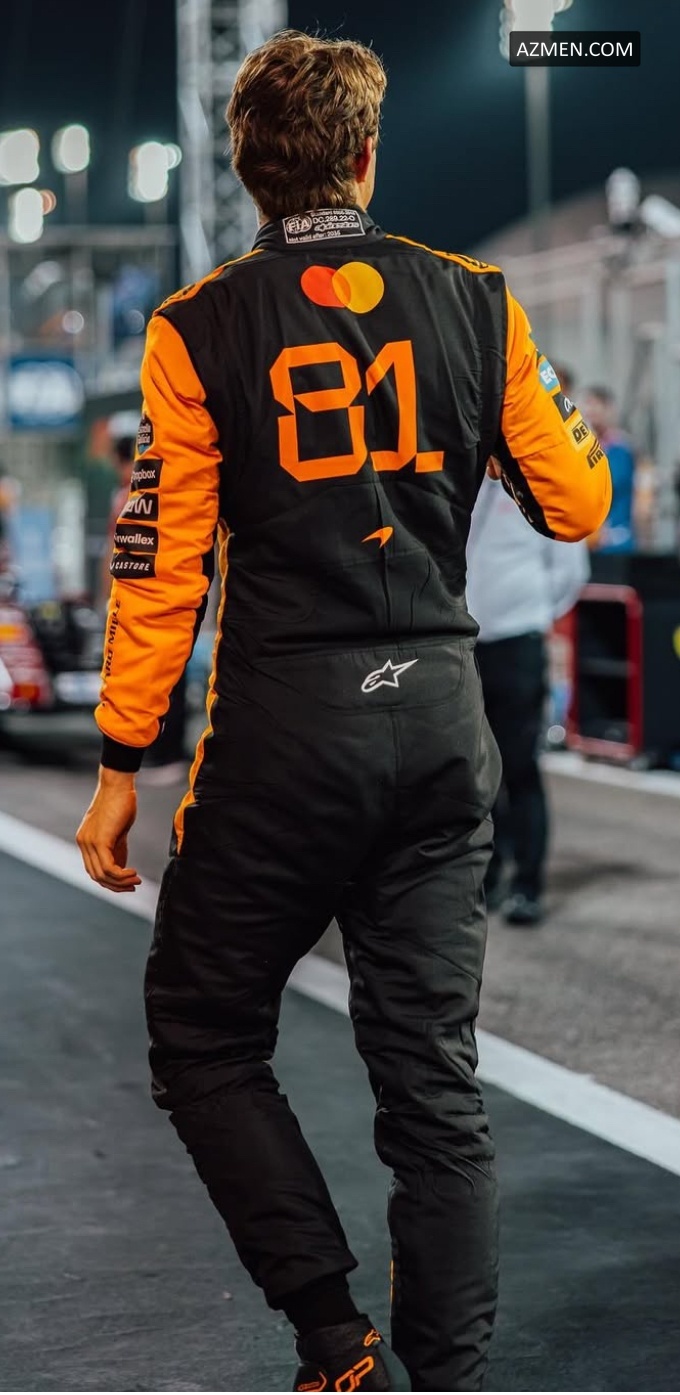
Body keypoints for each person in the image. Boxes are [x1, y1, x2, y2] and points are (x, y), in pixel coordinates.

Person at [76, 30, 611, 1393]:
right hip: (437, 720)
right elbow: (577, 503)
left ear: (247, 170)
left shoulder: (196, 326)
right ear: (368, 156)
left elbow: (159, 567)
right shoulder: (479, 301)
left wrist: (123, 757)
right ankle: (450, 1373)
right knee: (432, 1078)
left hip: (283, 731)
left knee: (204, 1033)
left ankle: (334, 1338)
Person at [467, 469, 589, 925]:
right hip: (466, 644)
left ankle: (527, 884)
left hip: (517, 642)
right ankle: (490, 873)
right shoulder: (465, 481)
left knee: (519, 767)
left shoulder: (540, 487)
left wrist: (531, 614)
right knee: (476, 773)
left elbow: (570, 573)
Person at [103, 430, 188, 784]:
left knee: (166, 678)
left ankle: (168, 754)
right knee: (148, 679)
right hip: (149, 601)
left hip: (159, 601)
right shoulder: (135, 492)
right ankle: (156, 752)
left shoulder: (142, 492)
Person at [583, 386, 636, 553]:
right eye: (588, 405)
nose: (590, 411)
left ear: (609, 410)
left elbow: (609, 484)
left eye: (596, 405)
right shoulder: (582, 448)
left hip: (615, 538)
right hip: (588, 539)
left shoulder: (620, 449)